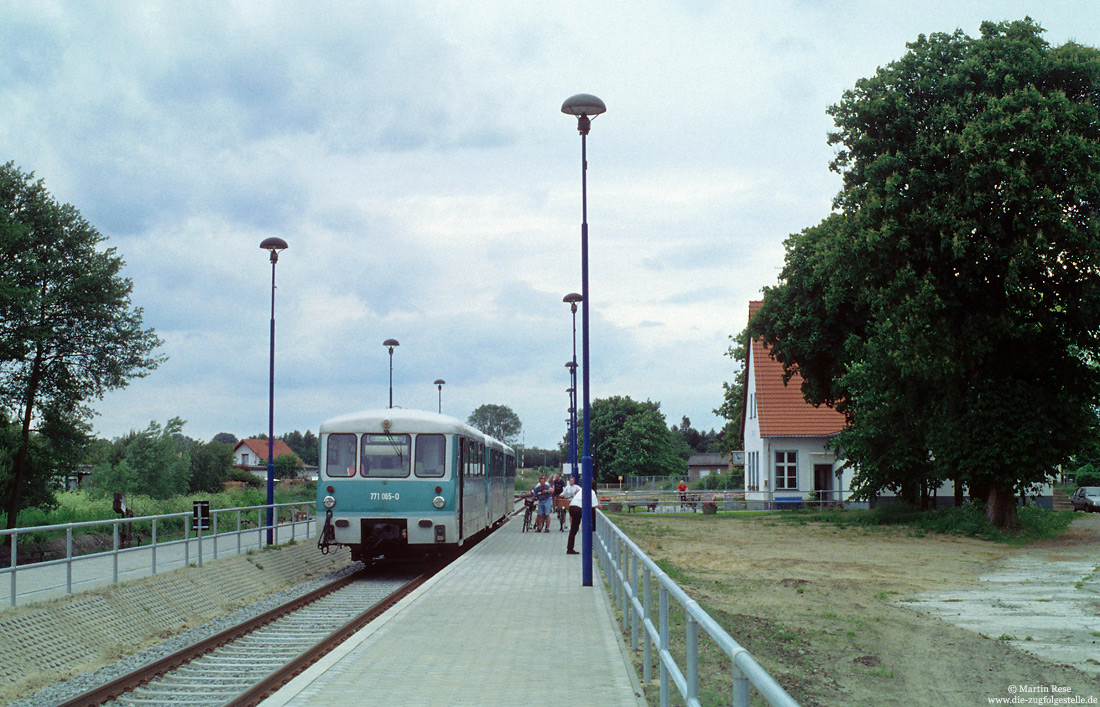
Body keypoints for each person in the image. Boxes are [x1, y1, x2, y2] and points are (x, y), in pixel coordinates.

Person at [566, 478, 600, 555]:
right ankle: (590, 538)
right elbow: (595, 506)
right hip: (578, 508)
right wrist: (600, 505)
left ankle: (570, 548)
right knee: (585, 525)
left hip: (572, 507)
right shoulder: (591, 492)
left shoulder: (582, 490)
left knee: (573, 529)